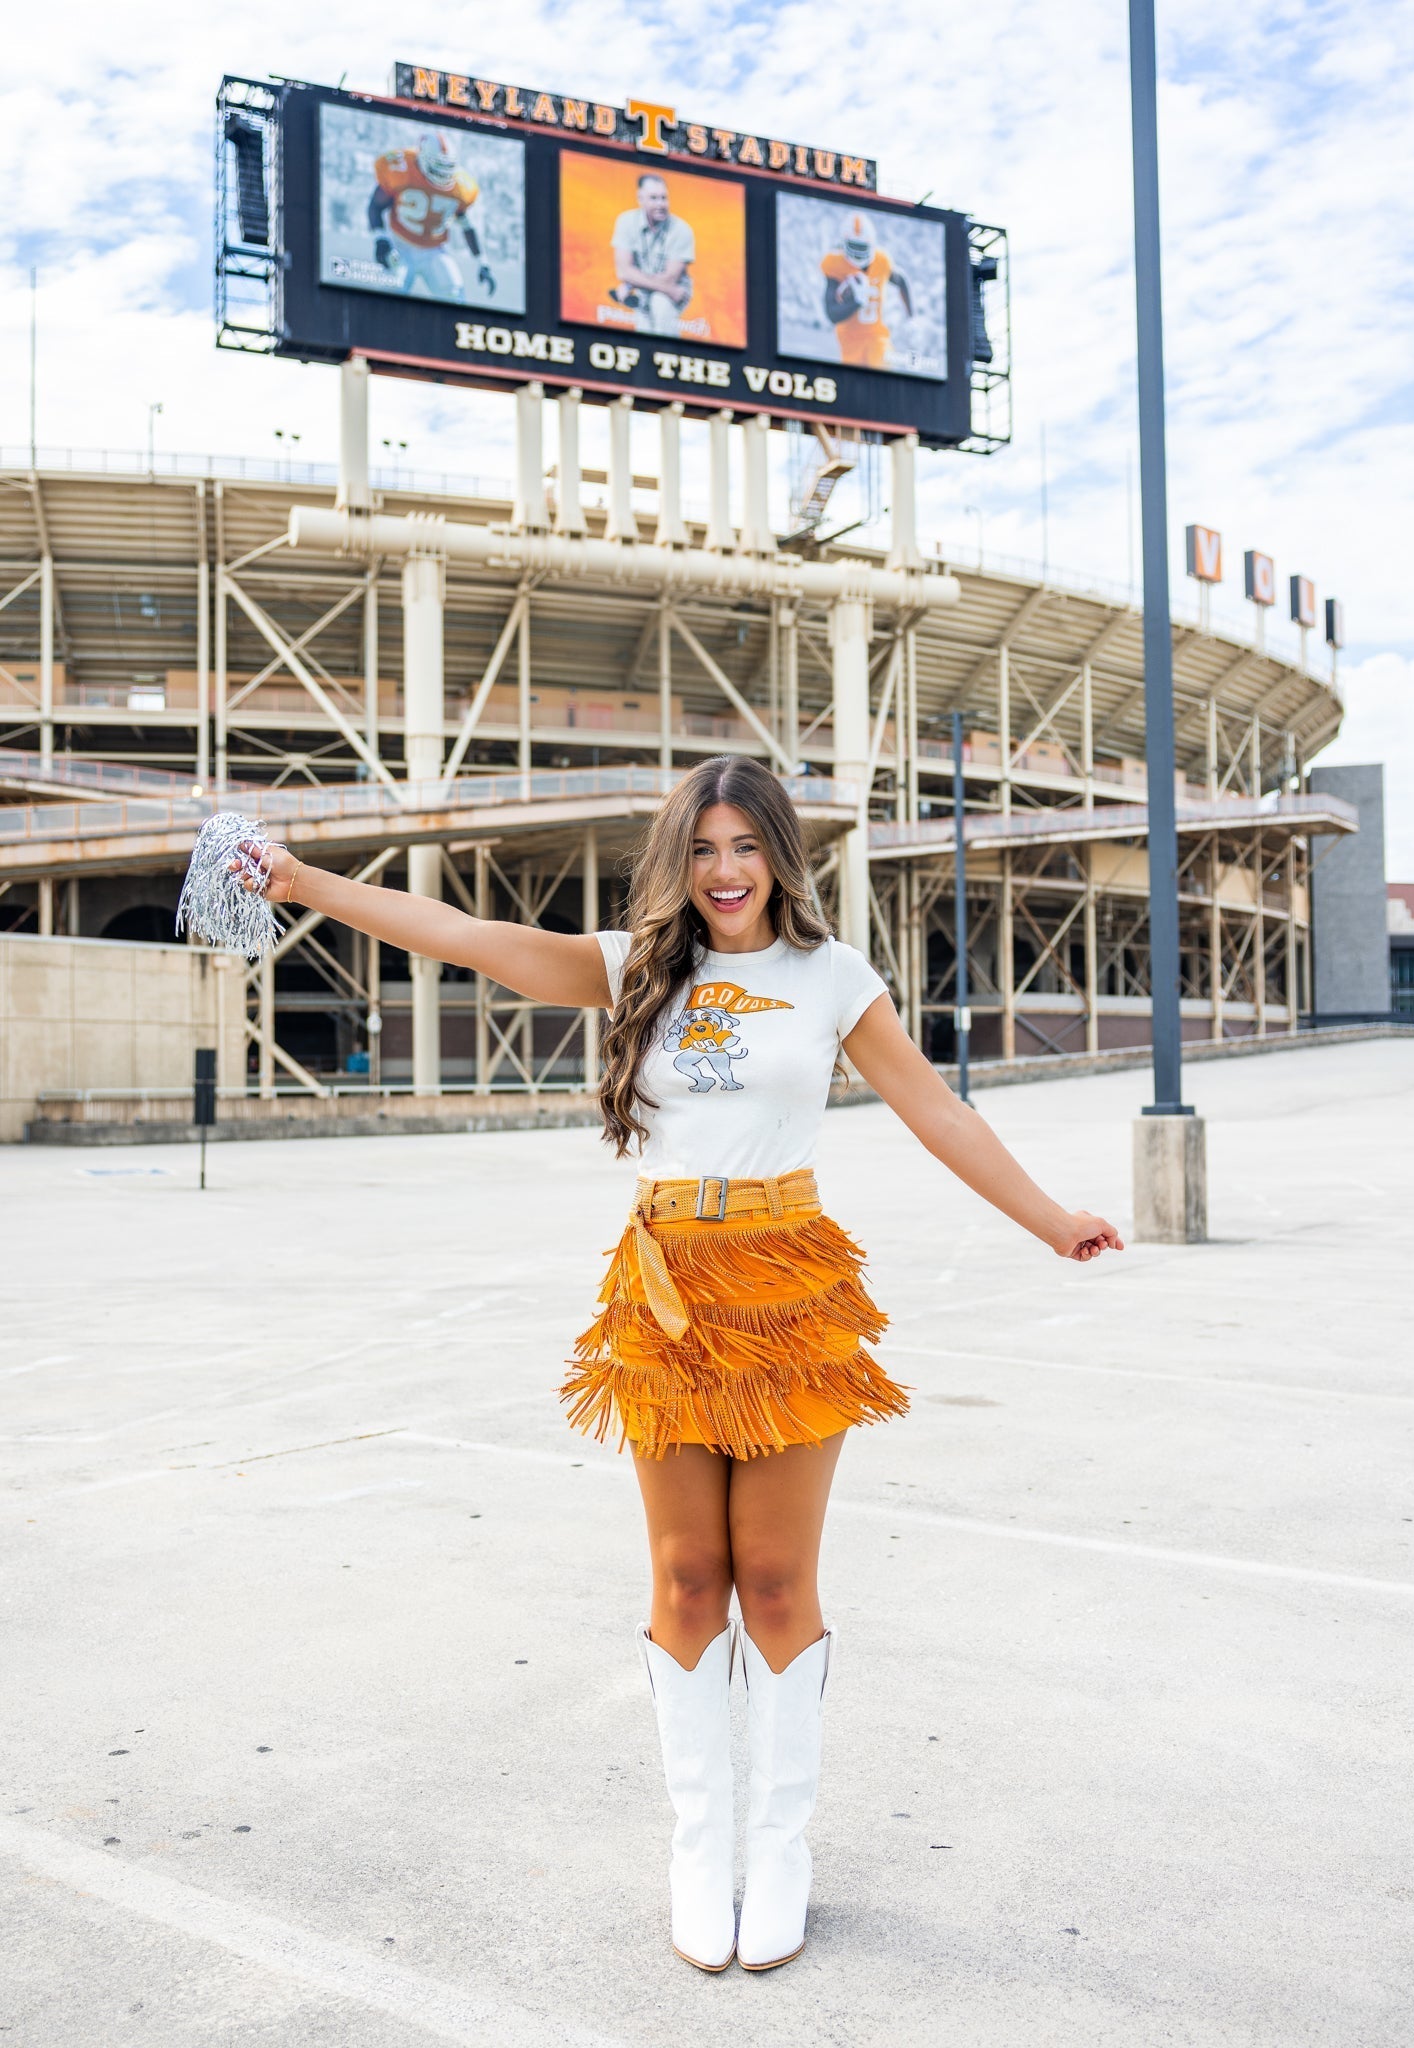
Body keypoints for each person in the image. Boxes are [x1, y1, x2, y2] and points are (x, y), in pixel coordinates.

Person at [231, 755, 1120, 1974]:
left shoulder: (830, 975)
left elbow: (938, 1109)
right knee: (688, 1574)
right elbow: (466, 934)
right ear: (678, 861)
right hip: (662, 1285)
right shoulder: (638, 965)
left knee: (773, 1574)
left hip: (788, 1282)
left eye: (746, 845)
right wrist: (300, 880)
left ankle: (784, 1847)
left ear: (781, 856)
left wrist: (1051, 1213)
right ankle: (702, 1848)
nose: (726, 871)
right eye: (702, 849)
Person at [368, 129, 495, 304]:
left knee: (456, 297)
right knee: (389, 298)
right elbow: (375, 206)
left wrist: (483, 262)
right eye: (438, 166)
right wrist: (381, 239)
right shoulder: (402, 168)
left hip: (434, 250)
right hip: (400, 245)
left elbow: (466, 225)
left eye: (448, 167)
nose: (444, 173)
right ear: (422, 158)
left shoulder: (460, 186)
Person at [821, 212, 912, 370]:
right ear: (844, 243)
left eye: (862, 246)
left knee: (882, 371)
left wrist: (911, 316)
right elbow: (832, 313)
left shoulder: (881, 261)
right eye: (853, 246)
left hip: (876, 335)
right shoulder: (834, 264)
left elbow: (901, 281)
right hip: (849, 340)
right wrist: (856, 302)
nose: (857, 252)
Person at [610, 173, 695, 336]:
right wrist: (630, 283)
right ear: (640, 198)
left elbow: (670, 278)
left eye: (664, 198)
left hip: (675, 291)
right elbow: (623, 271)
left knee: (660, 303)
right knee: (643, 328)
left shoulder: (681, 229)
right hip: (652, 290)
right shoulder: (626, 221)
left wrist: (631, 283)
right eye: (654, 198)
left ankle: (669, 357)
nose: (661, 204)